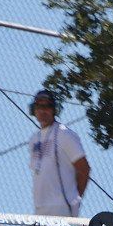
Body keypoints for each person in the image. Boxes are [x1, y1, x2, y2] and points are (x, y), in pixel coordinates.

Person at [28, 90, 90, 218]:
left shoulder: (64, 134)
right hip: (40, 208)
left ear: (54, 110)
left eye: (47, 106)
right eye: (39, 106)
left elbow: (84, 168)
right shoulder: (34, 139)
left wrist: (74, 198)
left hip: (62, 209)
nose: (42, 110)